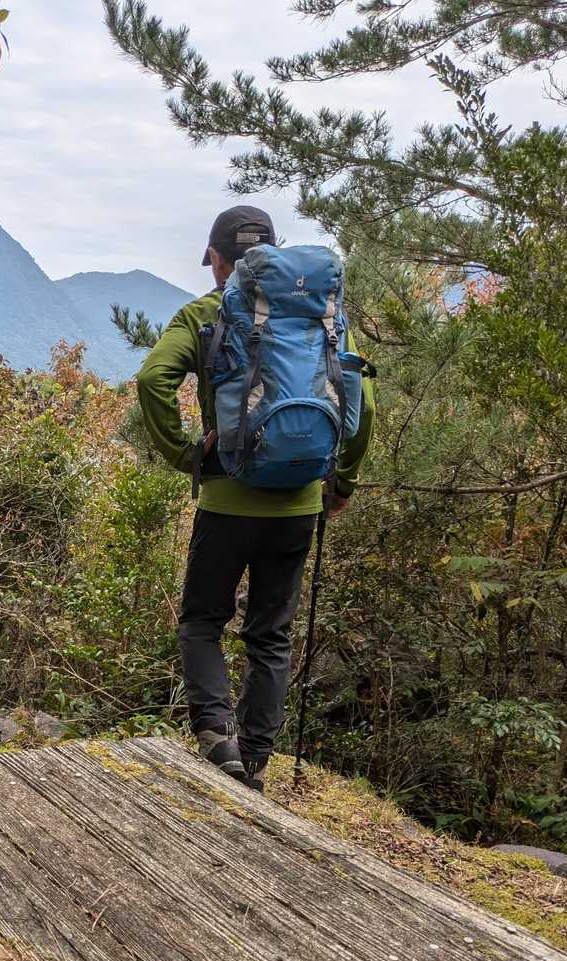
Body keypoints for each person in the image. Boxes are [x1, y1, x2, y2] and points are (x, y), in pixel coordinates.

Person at [136, 205, 376, 790]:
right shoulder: (321, 312)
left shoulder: (205, 313)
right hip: (299, 500)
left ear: (218, 259)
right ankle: (257, 755)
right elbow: (362, 404)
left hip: (226, 499)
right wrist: (340, 482)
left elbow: (151, 379)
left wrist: (187, 455)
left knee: (202, 620)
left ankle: (218, 737)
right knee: (271, 633)